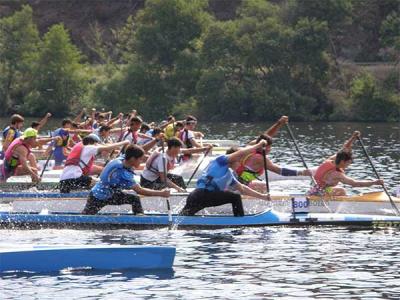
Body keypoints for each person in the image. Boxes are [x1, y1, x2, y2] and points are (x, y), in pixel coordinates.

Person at [179, 140, 271, 217]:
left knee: (182, 218)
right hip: (200, 195)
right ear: (233, 159)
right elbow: (240, 153)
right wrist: (258, 145)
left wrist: (263, 197)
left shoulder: (229, 175)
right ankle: (239, 222)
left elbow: (243, 189)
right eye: (239, 161)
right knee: (235, 197)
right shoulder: (221, 161)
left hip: (199, 198)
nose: (241, 164)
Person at [82, 144, 170, 215]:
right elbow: (140, 190)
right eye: (140, 160)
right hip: (98, 197)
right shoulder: (123, 173)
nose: (141, 162)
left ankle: (139, 217)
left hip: (109, 193)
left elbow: (135, 150)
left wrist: (155, 141)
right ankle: (139, 221)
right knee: (84, 218)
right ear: (132, 159)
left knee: (134, 199)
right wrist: (161, 193)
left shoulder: (123, 158)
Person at [309, 131, 384, 196]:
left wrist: (353, 138)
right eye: (348, 163)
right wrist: (374, 182)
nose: (348, 166)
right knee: (342, 190)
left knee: (337, 189)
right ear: (342, 161)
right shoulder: (336, 174)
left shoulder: (330, 160)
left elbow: (345, 148)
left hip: (314, 190)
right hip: (319, 194)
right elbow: (355, 183)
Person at [59, 134, 129, 193]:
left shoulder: (78, 147)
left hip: (63, 181)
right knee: (102, 184)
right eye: (97, 143)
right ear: (93, 142)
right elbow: (107, 148)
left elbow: (91, 168)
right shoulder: (89, 147)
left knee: (92, 181)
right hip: (75, 178)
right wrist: (124, 142)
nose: (97, 145)